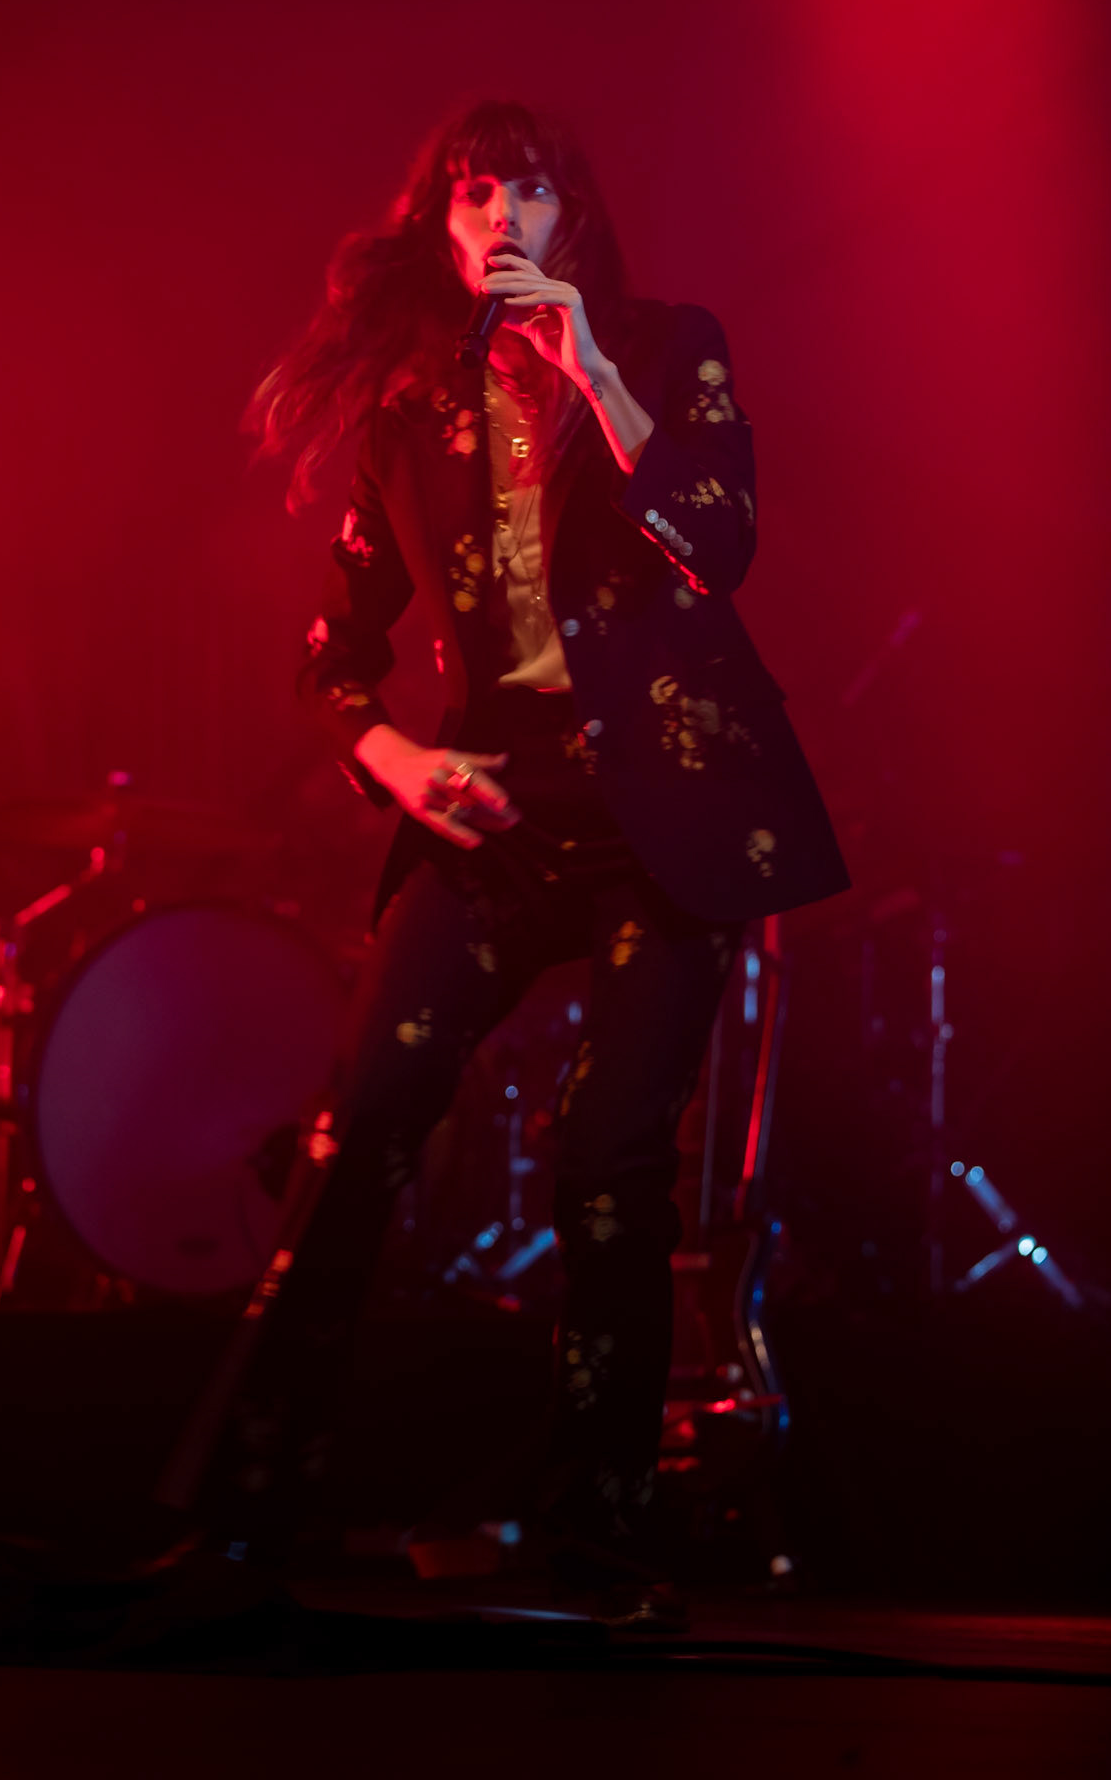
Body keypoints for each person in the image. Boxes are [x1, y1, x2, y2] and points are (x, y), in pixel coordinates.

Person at [232, 98, 849, 1614]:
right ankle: (254, 1495)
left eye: (529, 193)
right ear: (438, 233)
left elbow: (717, 545)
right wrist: (395, 760)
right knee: (368, 1116)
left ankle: (600, 1518)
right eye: (470, 198)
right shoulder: (406, 411)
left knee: (607, 1155)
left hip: (665, 807)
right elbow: (329, 653)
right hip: (495, 807)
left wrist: (596, 374)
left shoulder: (666, 341)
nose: (499, 220)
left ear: (574, 218)